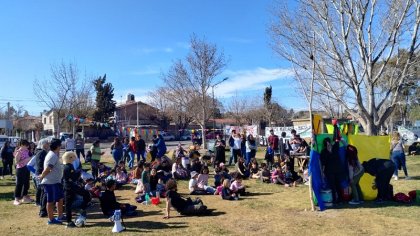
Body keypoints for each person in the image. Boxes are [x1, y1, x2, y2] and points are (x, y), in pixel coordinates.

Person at [38, 138, 65, 225]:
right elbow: (48, 169)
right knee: (50, 201)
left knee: (60, 199)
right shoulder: (52, 155)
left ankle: (60, 216)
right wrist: (42, 176)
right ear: (57, 146)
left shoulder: (54, 154)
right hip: (50, 182)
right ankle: (51, 219)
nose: (61, 146)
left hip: (56, 181)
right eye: (60, 145)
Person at [62, 152, 91, 228]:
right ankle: (69, 221)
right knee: (68, 204)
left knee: (85, 194)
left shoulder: (67, 166)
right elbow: (73, 177)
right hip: (69, 187)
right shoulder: (68, 167)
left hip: (70, 186)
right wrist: (78, 172)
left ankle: (81, 209)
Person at [320, 137, 344, 204]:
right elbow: (323, 164)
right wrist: (322, 172)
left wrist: (335, 127)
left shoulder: (334, 148)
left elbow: (337, 140)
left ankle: (339, 199)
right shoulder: (324, 152)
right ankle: (334, 199)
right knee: (333, 186)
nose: (328, 145)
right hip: (330, 171)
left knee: (337, 185)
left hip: (336, 170)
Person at [13, 139, 33, 205]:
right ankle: (16, 199)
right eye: (26, 145)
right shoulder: (19, 152)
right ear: (21, 145)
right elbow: (16, 162)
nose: (27, 146)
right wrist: (26, 160)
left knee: (26, 183)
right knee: (19, 184)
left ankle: (25, 197)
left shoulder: (27, 151)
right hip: (20, 169)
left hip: (26, 168)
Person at [34, 138, 49, 217]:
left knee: (42, 191)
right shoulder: (42, 152)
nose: (48, 145)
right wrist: (43, 174)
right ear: (43, 144)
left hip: (41, 173)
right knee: (44, 192)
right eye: (47, 143)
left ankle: (42, 208)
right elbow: (41, 165)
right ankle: (43, 210)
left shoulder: (41, 152)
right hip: (41, 174)